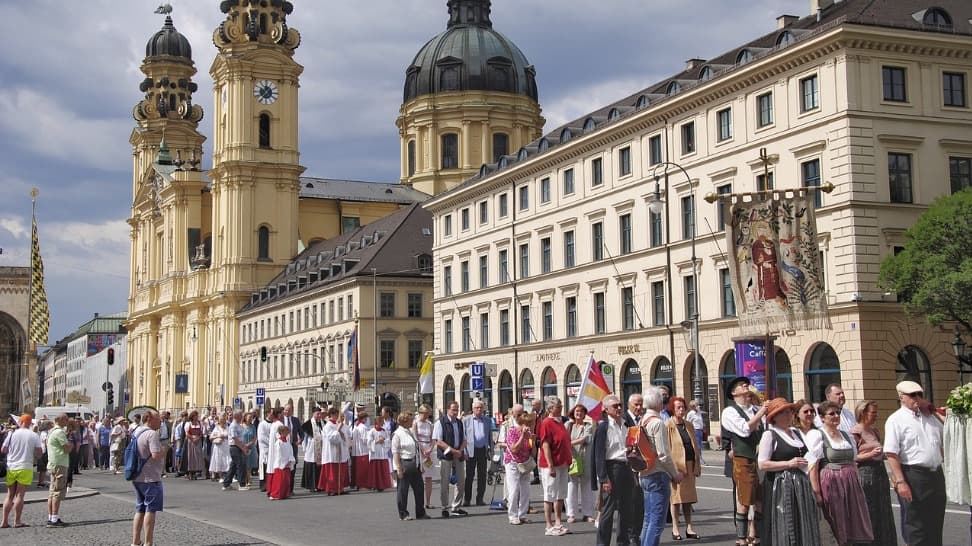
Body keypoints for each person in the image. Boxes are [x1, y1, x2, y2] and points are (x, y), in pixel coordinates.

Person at [884, 380, 945, 546]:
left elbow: (944, 439)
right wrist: (901, 481)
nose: (917, 398)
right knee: (915, 525)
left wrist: (933, 410)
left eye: (920, 394)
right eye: (912, 395)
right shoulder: (895, 420)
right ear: (902, 397)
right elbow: (891, 453)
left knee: (935, 523)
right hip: (913, 475)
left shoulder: (930, 418)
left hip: (935, 474)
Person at [807, 400, 873, 545]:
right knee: (837, 517)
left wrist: (857, 482)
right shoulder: (817, 435)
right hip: (831, 480)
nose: (836, 416)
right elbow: (813, 466)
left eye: (838, 413)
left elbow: (854, 461)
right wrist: (817, 492)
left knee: (854, 518)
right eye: (832, 414)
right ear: (823, 417)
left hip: (850, 481)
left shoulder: (846, 435)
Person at [756, 398, 819, 545]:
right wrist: (789, 463)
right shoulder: (770, 435)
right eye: (783, 412)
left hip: (800, 485)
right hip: (780, 486)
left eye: (790, 411)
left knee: (801, 520)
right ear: (774, 417)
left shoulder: (796, 433)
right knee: (784, 521)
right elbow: (762, 464)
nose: (788, 415)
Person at [721, 376, 766, 546]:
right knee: (744, 502)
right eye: (741, 385)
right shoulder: (730, 412)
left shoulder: (755, 409)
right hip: (744, 460)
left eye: (746, 384)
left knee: (760, 501)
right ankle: (741, 539)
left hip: (759, 460)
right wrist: (762, 412)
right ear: (734, 393)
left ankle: (758, 536)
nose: (746, 386)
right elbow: (745, 430)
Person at [639, 386, 683, 546]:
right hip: (657, 473)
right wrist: (674, 474)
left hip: (644, 472)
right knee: (657, 522)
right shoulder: (657, 423)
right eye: (662, 399)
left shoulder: (642, 420)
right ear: (658, 402)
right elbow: (663, 454)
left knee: (648, 519)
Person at [850, 400, 897, 546]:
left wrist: (884, 455)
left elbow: (879, 454)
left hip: (879, 472)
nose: (876, 415)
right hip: (865, 473)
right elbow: (853, 457)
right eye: (873, 413)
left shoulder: (874, 430)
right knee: (870, 510)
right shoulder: (855, 432)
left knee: (883, 508)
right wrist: (870, 454)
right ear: (863, 413)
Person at [594, 394, 634, 545]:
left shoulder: (626, 424)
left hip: (626, 467)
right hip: (612, 468)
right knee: (608, 511)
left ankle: (622, 542)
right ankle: (602, 543)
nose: (619, 408)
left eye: (620, 405)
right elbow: (599, 455)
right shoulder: (603, 427)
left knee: (626, 509)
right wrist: (604, 478)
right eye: (615, 406)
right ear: (606, 409)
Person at [665, 397, 702, 540]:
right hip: (677, 467)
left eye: (683, 407)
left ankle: (689, 527)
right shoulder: (668, 425)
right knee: (676, 499)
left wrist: (697, 466)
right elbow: (667, 449)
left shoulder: (689, 425)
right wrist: (671, 469)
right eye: (678, 407)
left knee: (688, 499)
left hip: (690, 464)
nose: (681, 410)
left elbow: (694, 446)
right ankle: (675, 528)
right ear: (672, 410)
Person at [538, 395, 572, 537]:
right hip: (551, 464)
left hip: (563, 463)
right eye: (559, 406)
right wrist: (550, 465)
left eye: (561, 405)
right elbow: (545, 445)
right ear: (551, 409)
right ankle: (548, 524)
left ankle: (558, 522)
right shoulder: (547, 423)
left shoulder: (560, 422)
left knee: (560, 494)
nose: (561, 408)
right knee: (550, 494)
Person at [1, 414, 43, 528]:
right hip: (25, 466)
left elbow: (3, 450)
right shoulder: (34, 435)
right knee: (20, 495)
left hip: (11, 466)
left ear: (20, 422)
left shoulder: (11, 434)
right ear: (30, 423)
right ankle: (17, 521)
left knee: (9, 495)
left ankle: (4, 521)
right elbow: (39, 453)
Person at [131, 409, 166, 546]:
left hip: (137, 476)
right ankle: (148, 542)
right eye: (158, 419)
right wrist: (164, 450)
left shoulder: (137, 431)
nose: (160, 422)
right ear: (150, 419)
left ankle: (135, 541)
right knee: (150, 510)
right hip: (150, 477)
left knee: (140, 509)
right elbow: (155, 455)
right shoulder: (151, 434)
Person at [392, 411, 430, 520]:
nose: (412, 421)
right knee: (403, 490)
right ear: (404, 421)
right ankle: (403, 513)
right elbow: (395, 452)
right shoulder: (397, 434)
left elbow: (417, 449)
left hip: (415, 463)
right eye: (410, 420)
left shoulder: (410, 432)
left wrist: (421, 465)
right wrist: (398, 468)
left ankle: (420, 512)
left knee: (419, 489)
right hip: (405, 463)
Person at [432, 400, 467, 517]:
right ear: (448, 410)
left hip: (458, 454)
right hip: (446, 455)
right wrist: (453, 450)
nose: (455, 412)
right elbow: (439, 441)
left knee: (461, 481)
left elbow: (464, 440)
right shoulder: (441, 423)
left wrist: (460, 451)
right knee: (445, 482)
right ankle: (444, 507)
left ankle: (456, 506)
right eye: (453, 410)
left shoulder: (459, 422)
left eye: (457, 410)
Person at [503, 411, 535, 526]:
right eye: (526, 424)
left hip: (525, 463)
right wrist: (522, 436)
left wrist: (533, 441)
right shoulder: (512, 431)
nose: (528, 426)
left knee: (526, 490)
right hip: (513, 463)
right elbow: (514, 449)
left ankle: (522, 515)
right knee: (514, 489)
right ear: (521, 423)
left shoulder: (529, 433)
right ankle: (512, 515)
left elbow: (533, 453)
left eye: (529, 424)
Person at [565, 404, 594, 524]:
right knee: (571, 486)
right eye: (577, 411)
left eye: (582, 411)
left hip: (585, 458)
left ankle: (587, 513)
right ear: (573, 413)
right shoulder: (568, 425)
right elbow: (563, 437)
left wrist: (569, 443)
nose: (579, 413)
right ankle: (571, 514)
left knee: (586, 486)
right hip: (572, 459)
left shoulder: (588, 426)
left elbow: (584, 439)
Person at [461, 399, 493, 506]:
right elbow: (463, 437)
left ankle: (480, 498)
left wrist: (491, 451)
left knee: (482, 476)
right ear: (473, 409)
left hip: (482, 450)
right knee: (469, 476)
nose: (479, 409)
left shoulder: (487, 420)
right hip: (471, 450)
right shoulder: (466, 420)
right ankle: (467, 499)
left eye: (480, 408)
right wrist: (464, 451)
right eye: (477, 408)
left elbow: (489, 436)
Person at [46, 413, 73, 527]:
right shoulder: (59, 432)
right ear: (60, 420)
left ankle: (51, 516)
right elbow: (67, 448)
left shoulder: (51, 431)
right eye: (66, 419)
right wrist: (70, 443)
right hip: (59, 463)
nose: (67, 421)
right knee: (57, 492)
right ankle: (54, 519)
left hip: (53, 462)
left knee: (52, 492)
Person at [319, 406, 350, 495]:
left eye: (337, 414)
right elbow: (331, 438)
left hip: (340, 451)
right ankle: (332, 489)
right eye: (334, 415)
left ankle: (340, 488)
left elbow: (344, 437)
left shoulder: (338, 424)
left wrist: (342, 434)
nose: (336, 416)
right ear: (330, 415)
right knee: (332, 472)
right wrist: (338, 430)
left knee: (339, 471)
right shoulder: (327, 426)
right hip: (331, 452)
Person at [412, 404, 436, 510]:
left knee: (429, 477)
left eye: (428, 413)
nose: (426, 415)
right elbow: (415, 438)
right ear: (420, 413)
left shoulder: (430, 424)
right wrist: (422, 451)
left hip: (428, 450)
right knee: (420, 478)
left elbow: (433, 438)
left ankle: (428, 501)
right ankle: (419, 502)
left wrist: (430, 450)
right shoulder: (415, 423)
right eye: (425, 413)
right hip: (419, 450)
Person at [266, 424, 295, 500]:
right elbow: (279, 454)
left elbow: (290, 452)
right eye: (285, 432)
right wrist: (283, 463)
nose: (287, 433)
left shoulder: (287, 442)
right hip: (280, 465)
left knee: (286, 480)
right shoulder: (278, 442)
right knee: (279, 481)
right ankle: (275, 494)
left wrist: (290, 460)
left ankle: (285, 494)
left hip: (287, 463)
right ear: (281, 432)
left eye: (287, 432)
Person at [221, 411, 248, 492]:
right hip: (235, 447)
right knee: (240, 465)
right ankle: (241, 484)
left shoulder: (238, 425)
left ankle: (226, 484)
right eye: (241, 416)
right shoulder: (233, 426)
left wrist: (243, 446)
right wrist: (243, 448)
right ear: (237, 416)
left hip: (239, 447)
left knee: (233, 466)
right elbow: (235, 439)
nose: (242, 417)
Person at [368, 417, 393, 491]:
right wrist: (376, 441)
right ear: (377, 422)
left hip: (382, 453)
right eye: (381, 421)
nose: (383, 422)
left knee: (382, 470)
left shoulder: (384, 431)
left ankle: (382, 485)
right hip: (375, 453)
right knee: (375, 470)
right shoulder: (371, 431)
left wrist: (384, 441)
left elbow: (388, 441)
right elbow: (369, 443)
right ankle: (374, 485)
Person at [300, 408, 323, 492]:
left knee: (319, 467)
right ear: (313, 414)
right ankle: (311, 486)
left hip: (320, 449)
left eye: (320, 414)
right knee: (311, 466)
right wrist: (305, 449)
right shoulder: (307, 424)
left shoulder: (322, 423)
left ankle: (319, 485)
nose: (319, 416)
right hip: (311, 449)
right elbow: (304, 438)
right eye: (317, 414)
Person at [350, 410, 372, 490]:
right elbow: (365, 439)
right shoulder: (363, 427)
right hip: (363, 450)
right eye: (365, 418)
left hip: (357, 451)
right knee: (363, 469)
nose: (366, 419)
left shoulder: (356, 426)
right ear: (362, 418)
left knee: (357, 469)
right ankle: (363, 484)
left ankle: (356, 483)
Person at [209, 414, 231, 482]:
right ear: (219, 421)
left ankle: (228, 475)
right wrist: (218, 437)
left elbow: (231, 436)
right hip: (219, 446)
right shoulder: (217, 428)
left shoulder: (228, 427)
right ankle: (220, 476)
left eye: (224, 419)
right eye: (221, 420)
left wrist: (225, 437)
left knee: (228, 460)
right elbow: (211, 437)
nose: (223, 421)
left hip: (226, 446)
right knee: (219, 460)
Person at [183, 411, 205, 480]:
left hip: (198, 441)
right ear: (192, 416)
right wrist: (193, 439)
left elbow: (201, 433)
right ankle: (190, 472)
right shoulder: (188, 424)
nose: (196, 417)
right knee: (190, 456)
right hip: (190, 441)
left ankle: (195, 471)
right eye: (195, 416)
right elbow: (186, 433)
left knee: (197, 456)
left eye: (197, 416)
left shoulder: (199, 423)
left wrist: (198, 438)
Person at [685, 400, 706, 466]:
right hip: (695, 430)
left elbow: (700, 420)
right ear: (693, 407)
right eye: (697, 405)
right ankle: (699, 459)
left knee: (699, 445)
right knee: (698, 446)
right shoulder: (691, 413)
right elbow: (687, 422)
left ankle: (697, 458)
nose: (698, 406)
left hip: (700, 430)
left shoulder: (699, 412)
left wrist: (703, 426)